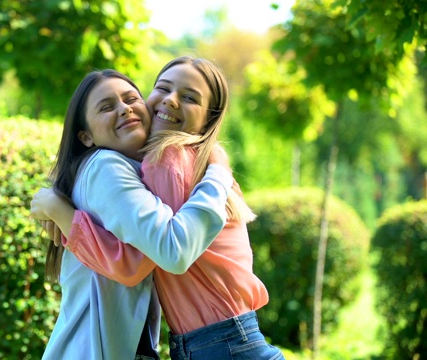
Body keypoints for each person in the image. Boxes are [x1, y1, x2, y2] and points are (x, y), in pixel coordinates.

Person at [32, 56, 285, 359]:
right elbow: (143, 258)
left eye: (190, 97)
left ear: (208, 117)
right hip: (225, 339)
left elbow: (159, 253)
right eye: (162, 88)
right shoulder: (179, 163)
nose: (172, 101)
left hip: (219, 343)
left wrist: (62, 213)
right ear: (84, 136)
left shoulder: (170, 161)